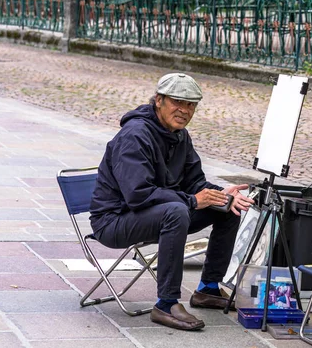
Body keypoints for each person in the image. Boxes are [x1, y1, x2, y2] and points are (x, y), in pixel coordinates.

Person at [89, 73, 254, 332]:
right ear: (158, 100)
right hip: (114, 220)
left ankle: (208, 288)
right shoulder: (134, 135)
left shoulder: (179, 135)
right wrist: (191, 200)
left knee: (226, 207)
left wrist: (221, 193)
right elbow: (138, 194)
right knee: (177, 211)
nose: (185, 110)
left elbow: (195, 183)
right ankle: (165, 304)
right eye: (178, 102)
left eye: (191, 105)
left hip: (157, 212)